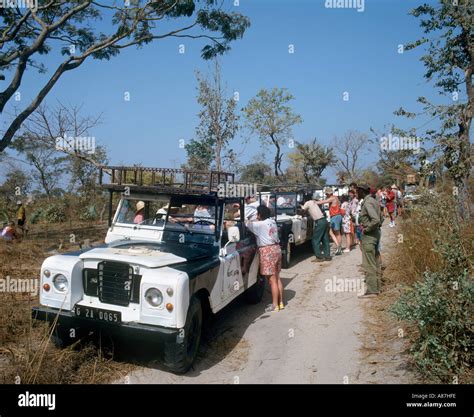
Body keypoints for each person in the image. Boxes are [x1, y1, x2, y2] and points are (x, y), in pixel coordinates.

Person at [246, 205, 284, 312]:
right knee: (277, 278)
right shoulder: (272, 221)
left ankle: (274, 305)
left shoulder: (260, 225)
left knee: (272, 281)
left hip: (267, 251)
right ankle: (280, 303)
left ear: (260, 214)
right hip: (276, 249)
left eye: (257, 214)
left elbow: (246, 224)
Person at [357, 185, 384, 298]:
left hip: (369, 236)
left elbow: (376, 219)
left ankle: (372, 290)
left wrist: (366, 228)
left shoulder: (368, 203)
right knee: (375, 261)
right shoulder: (373, 200)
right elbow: (381, 218)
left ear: (362, 192)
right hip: (375, 234)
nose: (357, 194)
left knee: (369, 263)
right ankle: (377, 287)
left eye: (357, 191)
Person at [301, 192, 331, 262]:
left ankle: (319, 257)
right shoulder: (313, 202)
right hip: (324, 220)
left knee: (315, 239)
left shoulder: (307, 203)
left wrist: (298, 210)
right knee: (325, 239)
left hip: (319, 222)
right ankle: (327, 256)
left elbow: (302, 211)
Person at [316, 187, 343, 255]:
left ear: (328, 193)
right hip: (336, 216)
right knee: (331, 232)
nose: (326, 195)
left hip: (335, 216)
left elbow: (323, 202)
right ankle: (338, 246)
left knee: (337, 233)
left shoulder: (332, 198)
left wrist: (314, 202)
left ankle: (339, 248)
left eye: (326, 194)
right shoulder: (336, 198)